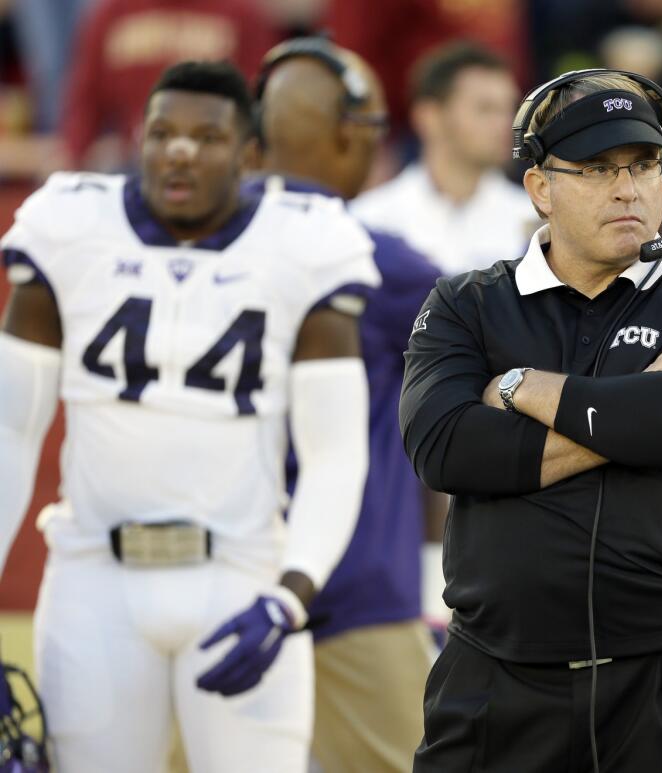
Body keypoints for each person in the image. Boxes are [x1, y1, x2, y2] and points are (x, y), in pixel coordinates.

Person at [0, 61, 378, 771]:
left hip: (241, 576)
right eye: (162, 133)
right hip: (92, 576)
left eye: (207, 137)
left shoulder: (305, 242)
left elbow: (334, 452)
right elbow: (6, 434)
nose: (179, 151)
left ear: (251, 155)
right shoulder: (70, 225)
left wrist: (290, 596)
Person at [398, 70, 662, 771]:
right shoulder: (465, 304)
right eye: (599, 169)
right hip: (498, 672)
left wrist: (517, 386)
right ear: (541, 188)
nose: (628, 188)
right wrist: (639, 399)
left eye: (645, 165)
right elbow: (445, 447)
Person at [250, 38, 442, 772]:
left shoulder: (201, 236)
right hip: (352, 587)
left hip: (223, 576)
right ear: (345, 134)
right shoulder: (374, 258)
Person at [351, 41, 539, 276]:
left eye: (509, 108)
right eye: (485, 108)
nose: (507, 124)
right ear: (429, 117)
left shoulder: (535, 224)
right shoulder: (370, 222)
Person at [59, 0, 276, 170]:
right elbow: (84, 102)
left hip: (215, 161)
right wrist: (75, 154)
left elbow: (256, 100)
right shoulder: (112, 11)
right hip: (134, 159)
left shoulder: (240, 12)